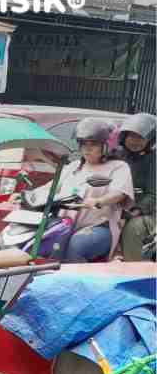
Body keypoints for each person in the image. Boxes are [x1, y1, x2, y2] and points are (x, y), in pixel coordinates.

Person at [60, 118, 133, 262]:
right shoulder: (73, 167)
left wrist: (99, 201)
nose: (87, 148)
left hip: (99, 226)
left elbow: (119, 193)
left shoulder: (118, 167)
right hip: (64, 224)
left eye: (93, 144)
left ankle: (75, 283)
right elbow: (51, 188)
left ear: (106, 146)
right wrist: (26, 196)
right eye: (83, 143)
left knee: (78, 245)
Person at [115, 112, 155, 261]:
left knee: (134, 228)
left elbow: (153, 196)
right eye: (131, 136)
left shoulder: (153, 159)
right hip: (116, 205)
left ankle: (133, 269)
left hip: (146, 212)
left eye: (141, 137)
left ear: (150, 140)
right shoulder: (118, 155)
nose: (135, 141)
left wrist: (130, 213)